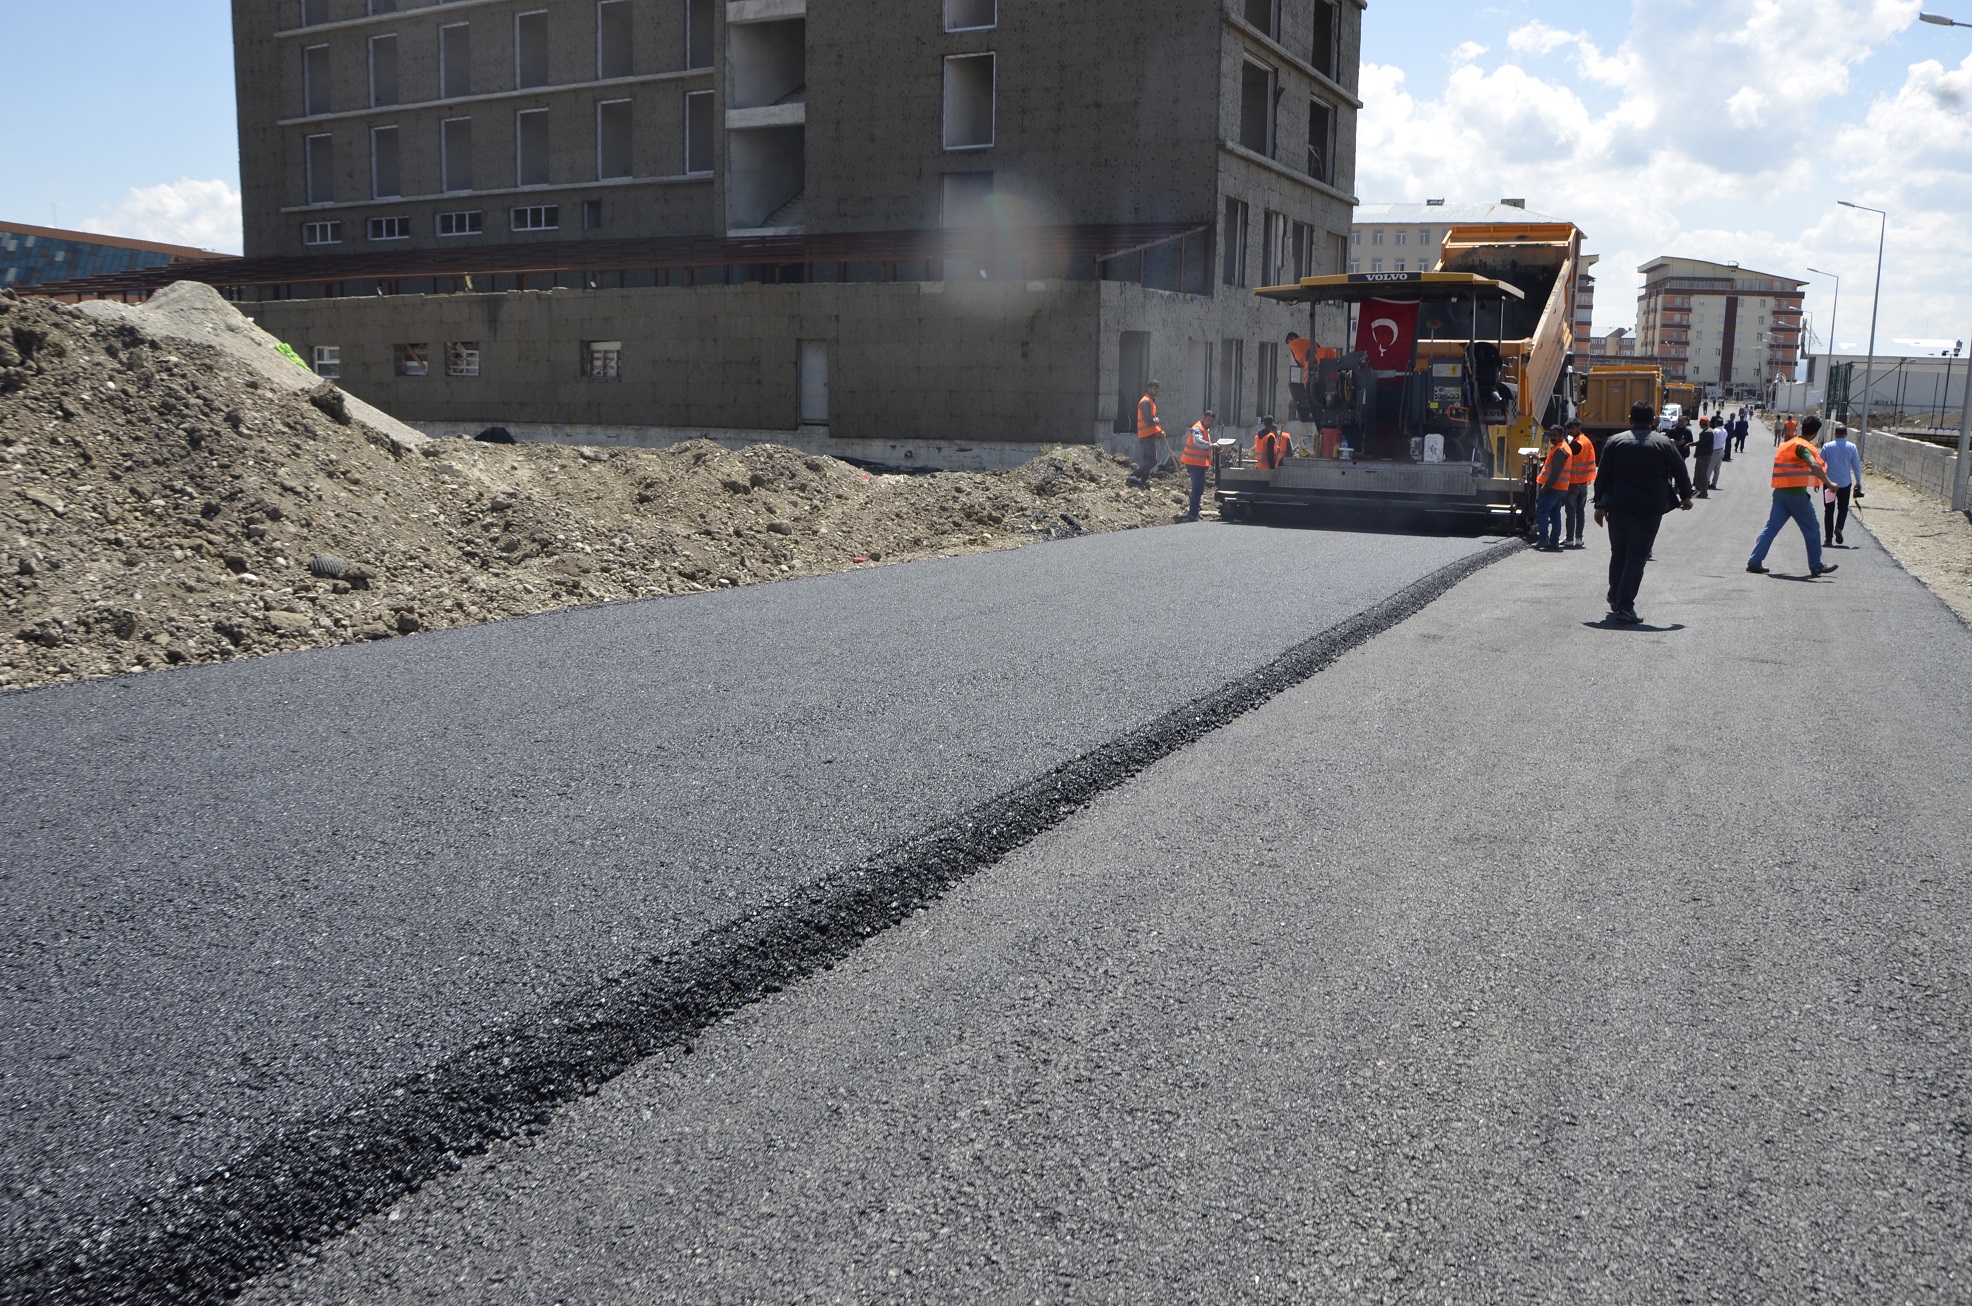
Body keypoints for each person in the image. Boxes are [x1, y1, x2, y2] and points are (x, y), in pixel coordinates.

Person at [1594, 402, 1694, 624]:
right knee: (1637, 556)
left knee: (1618, 553)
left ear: (1629, 419)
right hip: (1650, 509)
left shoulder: (1614, 442)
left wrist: (1599, 504)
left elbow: (1602, 476)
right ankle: (1624, 606)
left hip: (1618, 507)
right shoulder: (1663, 444)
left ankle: (1615, 595)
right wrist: (1685, 496)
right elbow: (1681, 471)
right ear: (1653, 421)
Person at [1747, 415, 1839, 577]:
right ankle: (1816, 565)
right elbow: (1812, 464)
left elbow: (1797, 468)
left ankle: (1755, 561)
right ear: (1815, 433)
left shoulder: (1787, 444)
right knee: (1811, 529)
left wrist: (1814, 481)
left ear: (1801, 428)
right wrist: (1828, 483)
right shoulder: (1802, 446)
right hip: (1797, 495)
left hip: (1780, 492)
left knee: (1771, 528)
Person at [1818, 422, 1864, 546]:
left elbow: (1820, 464)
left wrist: (1818, 481)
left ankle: (1828, 539)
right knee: (1843, 508)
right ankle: (1838, 528)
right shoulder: (1852, 447)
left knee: (1829, 510)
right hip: (1845, 484)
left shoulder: (1827, 446)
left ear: (1835, 434)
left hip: (1829, 484)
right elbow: (1856, 466)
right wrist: (1858, 482)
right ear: (1846, 434)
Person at [1534, 425, 1571, 551]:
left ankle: (1544, 538)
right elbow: (1552, 460)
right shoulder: (1561, 447)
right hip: (1560, 488)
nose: (1552, 438)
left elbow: (1555, 473)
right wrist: (1540, 458)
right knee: (1555, 515)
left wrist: (1545, 487)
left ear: (1561, 435)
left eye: (1555, 435)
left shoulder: (1560, 450)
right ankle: (1554, 541)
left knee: (1542, 512)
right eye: (1550, 435)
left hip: (1553, 488)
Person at [1562, 419, 1597, 550]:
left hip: (1574, 482)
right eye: (1569, 429)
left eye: (1572, 428)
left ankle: (1570, 538)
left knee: (1570, 511)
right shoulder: (1586, 441)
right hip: (1584, 482)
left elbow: (1564, 455)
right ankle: (1579, 538)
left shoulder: (1577, 444)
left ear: (1579, 427)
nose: (1571, 431)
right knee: (1580, 512)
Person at [1178, 410, 1216, 521]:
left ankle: (1195, 510)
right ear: (1203, 417)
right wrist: (1211, 445)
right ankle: (1192, 513)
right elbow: (1197, 441)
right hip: (1193, 463)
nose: (1209, 422)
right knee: (1197, 488)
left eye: (1211, 421)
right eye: (1208, 420)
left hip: (1198, 463)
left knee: (1199, 489)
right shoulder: (1197, 428)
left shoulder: (1204, 429)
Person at [1128, 381, 1164, 488]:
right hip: (1146, 435)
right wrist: (1156, 420)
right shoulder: (1145, 402)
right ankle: (1134, 475)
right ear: (1148, 389)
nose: (1156, 391)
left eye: (1157, 389)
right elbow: (1149, 420)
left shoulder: (1151, 402)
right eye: (1154, 388)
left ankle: (1142, 481)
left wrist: (1159, 431)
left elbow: (1151, 422)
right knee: (1152, 461)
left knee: (1147, 460)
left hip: (1149, 434)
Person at [1285, 333, 1315, 421]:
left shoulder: (1294, 344)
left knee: (1308, 391)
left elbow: (1298, 361)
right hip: (1320, 367)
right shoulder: (1310, 342)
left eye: (1289, 342)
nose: (1290, 346)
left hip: (1308, 371)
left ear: (1293, 338)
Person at [1690, 417, 1720, 498]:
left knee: (1702, 474)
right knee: (1698, 473)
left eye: (1700, 422)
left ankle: (1703, 491)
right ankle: (1699, 490)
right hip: (1702, 455)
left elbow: (1701, 443)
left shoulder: (1708, 432)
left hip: (1704, 456)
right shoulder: (1706, 431)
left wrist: (1691, 444)